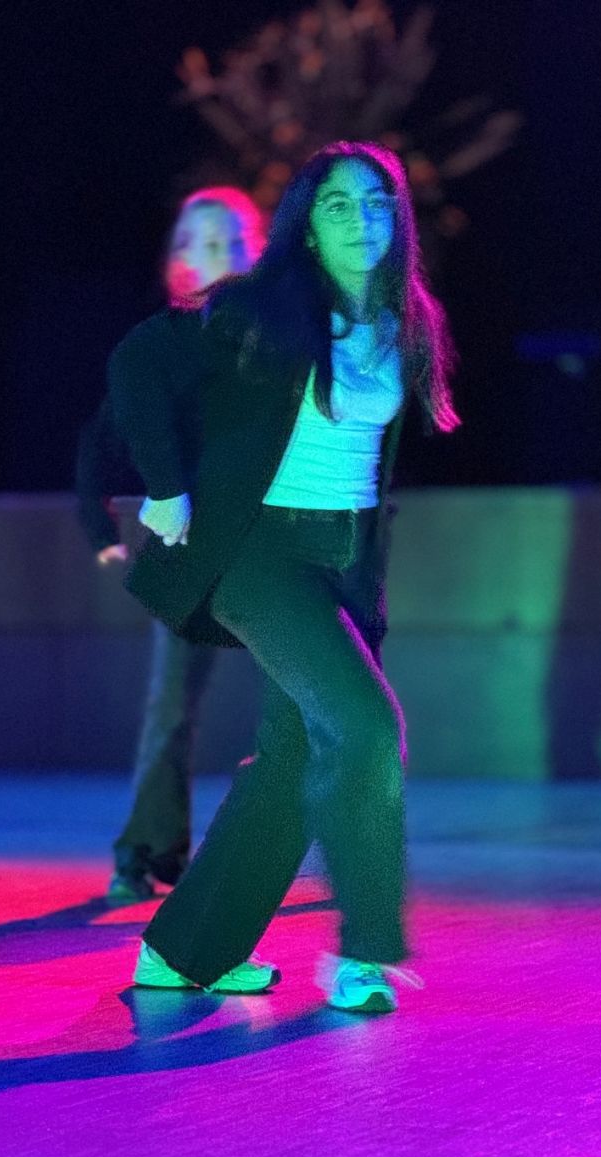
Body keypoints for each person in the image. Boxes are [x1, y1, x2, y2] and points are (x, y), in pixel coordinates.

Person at [111, 141, 458, 1013]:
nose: (361, 220)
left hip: (348, 561)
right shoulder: (258, 308)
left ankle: (183, 952)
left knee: (293, 755)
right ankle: (365, 951)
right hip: (260, 554)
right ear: (306, 227)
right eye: (338, 205)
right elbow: (138, 364)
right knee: (366, 728)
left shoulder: (408, 319)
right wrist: (166, 486)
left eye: (376, 203)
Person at [76, 187, 266, 901]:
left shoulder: (283, 337)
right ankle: (147, 847)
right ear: (181, 259)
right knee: (171, 705)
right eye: (204, 243)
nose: (221, 255)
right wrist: (98, 523)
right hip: (193, 549)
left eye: (233, 241)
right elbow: (103, 436)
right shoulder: (163, 344)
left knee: (310, 698)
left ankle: (319, 840)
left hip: (277, 543)